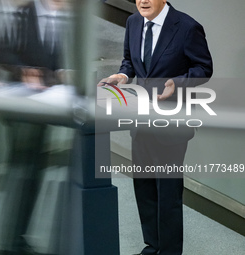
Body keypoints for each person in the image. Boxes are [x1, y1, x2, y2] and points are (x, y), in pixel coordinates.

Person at [98, 1, 213, 254]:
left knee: (168, 194)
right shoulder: (133, 21)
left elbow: (204, 68)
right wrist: (122, 76)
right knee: (144, 187)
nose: (143, 1)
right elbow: (130, 61)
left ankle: (170, 251)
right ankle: (153, 246)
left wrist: (177, 82)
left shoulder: (187, 27)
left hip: (171, 123)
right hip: (140, 120)